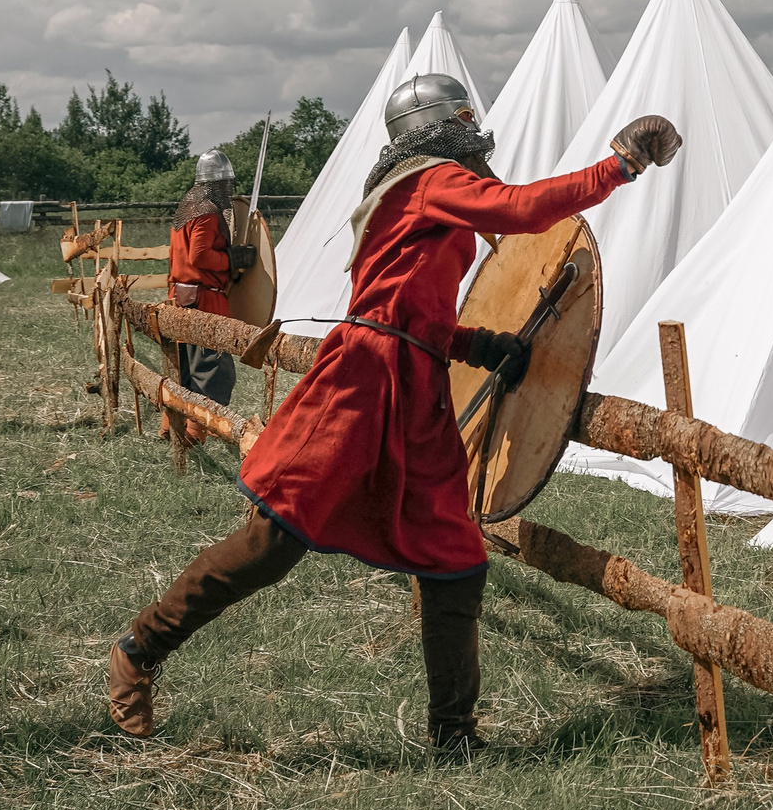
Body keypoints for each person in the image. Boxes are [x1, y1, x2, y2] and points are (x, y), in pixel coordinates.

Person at [107, 74, 681, 755]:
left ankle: (454, 734)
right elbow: (522, 208)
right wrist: (619, 165)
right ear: (444, 123)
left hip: (414, 393)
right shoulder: (426, 180)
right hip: (359, 386)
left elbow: (412, 309)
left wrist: (477, 341)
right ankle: (138, 649)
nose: (475, 128)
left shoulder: (414, 188)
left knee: (456, 558)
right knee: (273, 541)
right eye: (465, 117)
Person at [166, 151, 252, 410]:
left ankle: (174, 429)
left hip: (182, 297)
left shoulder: (187, 207)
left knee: (183, 372)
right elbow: (200, 256)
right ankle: (200, 433)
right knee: (213, 372)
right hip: (203, 301)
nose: (229, 190)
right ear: (219, 184)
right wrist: (231, 260)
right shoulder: (207, 212)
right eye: (227, 184)